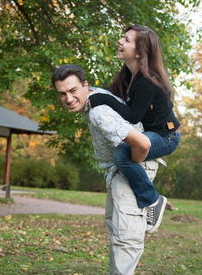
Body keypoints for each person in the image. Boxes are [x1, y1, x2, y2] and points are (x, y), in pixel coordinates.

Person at [52, 64, 165, 275]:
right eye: (62, 94)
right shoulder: (95, 95)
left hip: (130, 167)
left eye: (73, 91)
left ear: (85, 86)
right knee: (117, 233)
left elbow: (143, 143)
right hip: (118, 170)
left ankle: (153, 200)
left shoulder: (98, 113)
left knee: (126, 239)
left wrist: (132, 169)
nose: (68, 99)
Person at [88, 25, 181, 222]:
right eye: (123, 38)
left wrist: (102, 100)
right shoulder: (129, 75)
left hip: (166, 136)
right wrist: (87, 92)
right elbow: (112, 95)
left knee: (121, 154)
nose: (120, 42)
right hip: (152, 132)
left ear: (139, 53)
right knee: (123, 152)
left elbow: (132, 116)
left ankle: (152, 200)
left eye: (127, 40)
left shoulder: (147, 81)